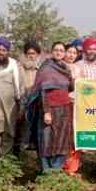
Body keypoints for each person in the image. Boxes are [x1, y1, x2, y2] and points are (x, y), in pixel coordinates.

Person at [26, 42, 75, 171]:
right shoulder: (46, 68)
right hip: (49, 109)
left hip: (64, 109)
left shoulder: (65, 68)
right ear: (52, 51)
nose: (59, 53)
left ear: (64, 53)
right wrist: (46, 112)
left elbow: (70, 87)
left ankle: (56, 170)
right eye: (56, 50)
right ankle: (46, 172)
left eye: (61, 50)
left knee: (62, 140)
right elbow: (42, 91)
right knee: (46, 141)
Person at [18, 41, 43, 150]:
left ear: (38, 54)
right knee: (22, 124)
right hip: (22, 99)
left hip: (37, 100)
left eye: (34, 53)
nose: (31, 56)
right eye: (29, 53)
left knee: (35, 124)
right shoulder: (18, 66)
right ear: (25, 54)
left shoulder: (42, 67)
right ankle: (21, 149)